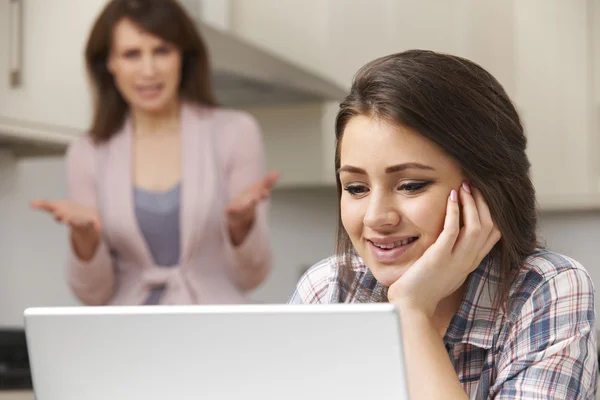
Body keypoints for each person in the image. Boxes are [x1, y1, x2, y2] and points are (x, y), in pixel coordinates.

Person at [290, 50, 598, 399]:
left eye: (411, 185)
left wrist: (412, 311)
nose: (376, 217)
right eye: (356, 188)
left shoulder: (545, 290)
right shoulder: (329, 290)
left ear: (484, 188)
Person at [31, 0, 277, 306]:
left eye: (162, 51)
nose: (149, 70)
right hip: (126, 339)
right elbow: (92, 296)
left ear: (182, 57)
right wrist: (86, 242)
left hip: (219, 335)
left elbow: (251, 277)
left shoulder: (236, 133)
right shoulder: (88, 152)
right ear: (110, 63)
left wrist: (242, 227)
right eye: (132, 54)